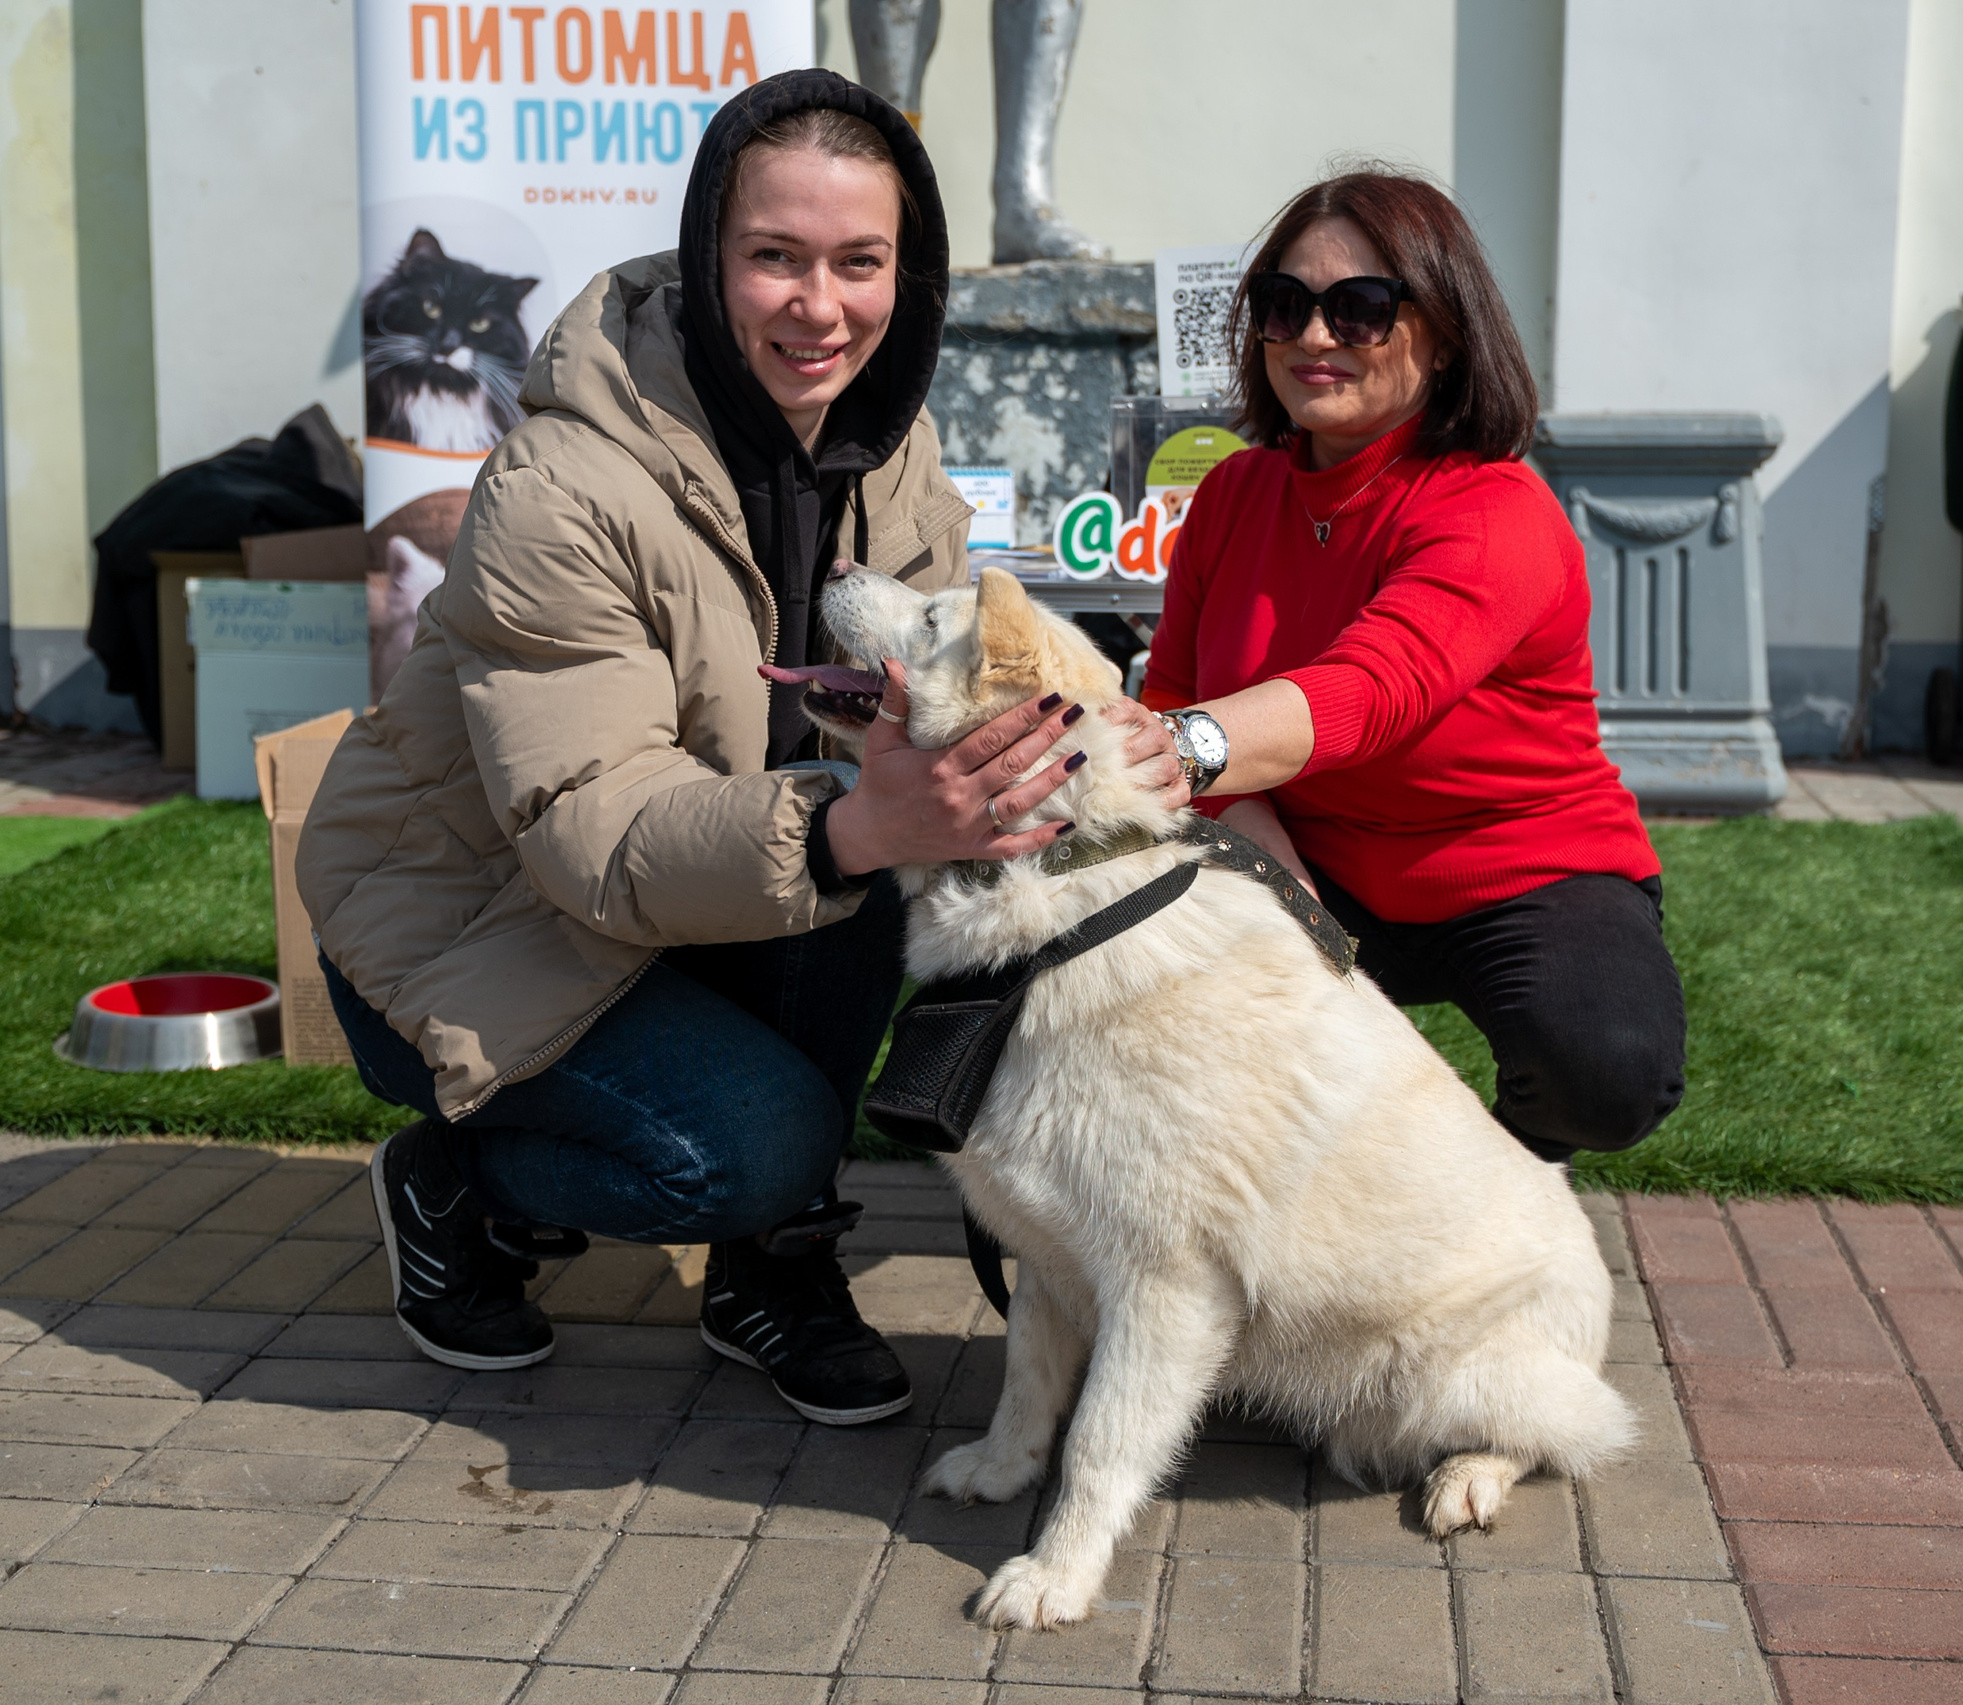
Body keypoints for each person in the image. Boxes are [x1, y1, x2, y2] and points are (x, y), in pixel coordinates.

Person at [296, 70, 1183, 1423]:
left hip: (704, 904)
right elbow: (594, 835)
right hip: (474, 928)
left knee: (884, 862)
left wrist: (1092, 739)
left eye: (859, 262)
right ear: (711, 258)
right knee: (753, 1140)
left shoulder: (892, 444)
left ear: (909, 271)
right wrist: (866, 822)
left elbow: (945, 681)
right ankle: (451, 1180)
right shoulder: (562, 484)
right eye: (774, 257)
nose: (819, 308)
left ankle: (772, 1268)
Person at [1139, 169, 1686, 1168]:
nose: (1313, 337)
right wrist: (1288, 898)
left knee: (1604, 1069)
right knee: (1098, 963)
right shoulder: (1230, 493)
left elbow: (1372, 688)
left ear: (1443, 332)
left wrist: (1176, 749)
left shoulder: (1495, 509)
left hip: (1518, 864)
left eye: (1361, 309)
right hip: (1311, 849)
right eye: (1285, 305)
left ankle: (1484, 1191)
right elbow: (1176, 690)